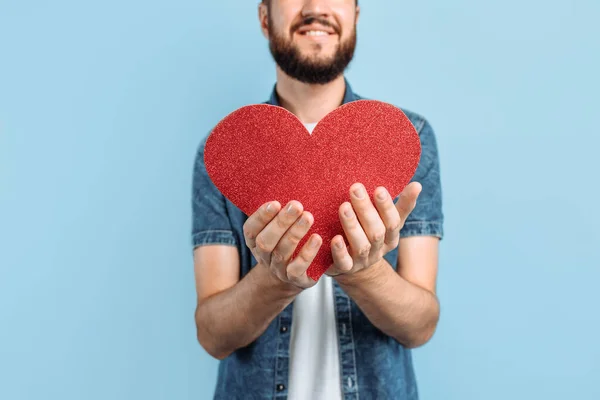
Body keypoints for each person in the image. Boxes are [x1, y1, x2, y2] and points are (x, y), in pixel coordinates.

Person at [191, 0, 444, 398]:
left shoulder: (404, 139)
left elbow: (421, 325)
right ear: (264, 17)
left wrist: (363, 272)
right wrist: (274, 281)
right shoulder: (228, 152)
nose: (317, 6)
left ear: (355, 16)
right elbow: (212, 334)